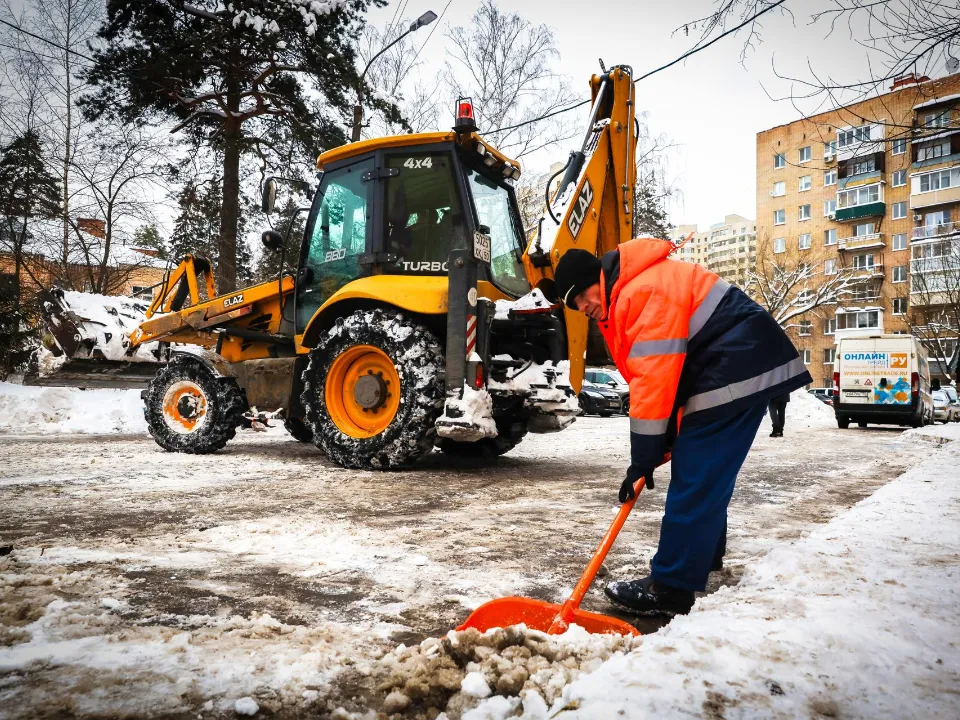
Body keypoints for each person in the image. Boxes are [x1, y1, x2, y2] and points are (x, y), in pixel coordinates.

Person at [551, 240, 811, 616]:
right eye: (575, 306)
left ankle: (671, 587)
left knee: (696, 471)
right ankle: (702, 557)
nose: (583, 308)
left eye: (581, 298)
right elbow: (669, 375)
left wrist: (643, 458)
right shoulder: (631, 288)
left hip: (736, 365)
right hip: (730, 364)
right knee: (702, 468)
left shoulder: (639, 292)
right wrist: (660, 443)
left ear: (596, 279)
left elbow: (653, 380)